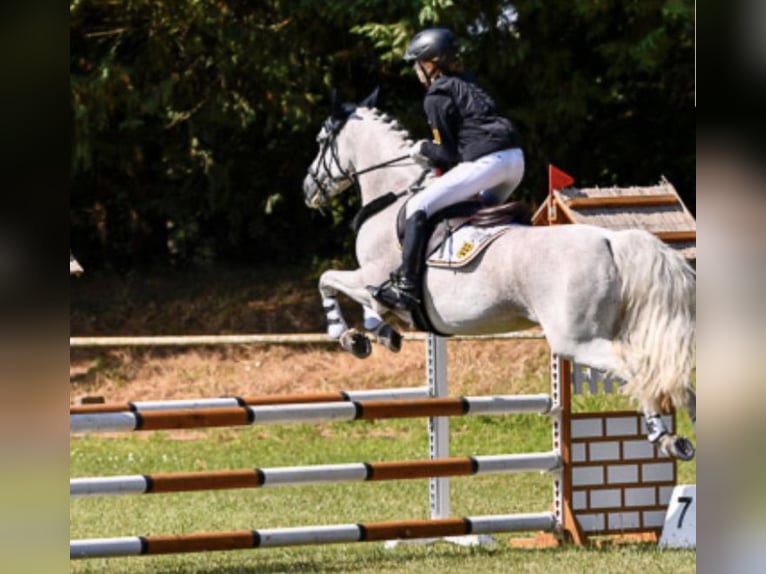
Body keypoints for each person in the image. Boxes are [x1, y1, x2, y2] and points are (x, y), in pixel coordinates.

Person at [370, 27, 525, 311]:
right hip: (515, 161)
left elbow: (449, 156)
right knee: (473, 215)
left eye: (417, 64)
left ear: (430, 64)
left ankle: (406, 288)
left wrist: (422, 149)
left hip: (487, 163)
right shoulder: (468, 82)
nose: (416, 71)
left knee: (418, 205)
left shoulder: (436, 95)